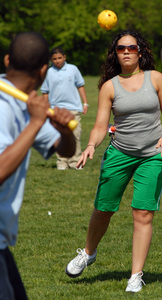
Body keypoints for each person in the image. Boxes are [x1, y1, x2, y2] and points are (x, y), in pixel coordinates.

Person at [65, 30, 162, 293]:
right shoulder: (109, 86)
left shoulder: (156, 79)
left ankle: (135, 275)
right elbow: (100, 126)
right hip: (120, 154)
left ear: (141, 52)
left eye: (132, 47)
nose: (126, 51)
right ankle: (88, 253)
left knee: (143, 212)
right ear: (115, 53)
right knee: (104, 209)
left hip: (153, 154)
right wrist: (91, 145)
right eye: (121, 48)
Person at [0, 32, 76, 300]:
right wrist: (34, 124)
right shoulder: (4, 108)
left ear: (8, 59)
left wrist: (64, 132)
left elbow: (65, 151)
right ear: (44, 69)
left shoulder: (27, 103)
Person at [41, 47, 89, 170]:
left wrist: (85, 103)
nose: (57, 61)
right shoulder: (48, 72)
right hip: (56, 110)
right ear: (51, 60)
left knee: (75, 135)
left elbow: (80, 86)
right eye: (54, 59)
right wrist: (45, 108)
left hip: (73, 108)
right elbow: (45, 92)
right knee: (59, 136)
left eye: (59, 58)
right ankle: (62, 163)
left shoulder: (73, 69)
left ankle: (75, 162)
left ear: (64, 57)